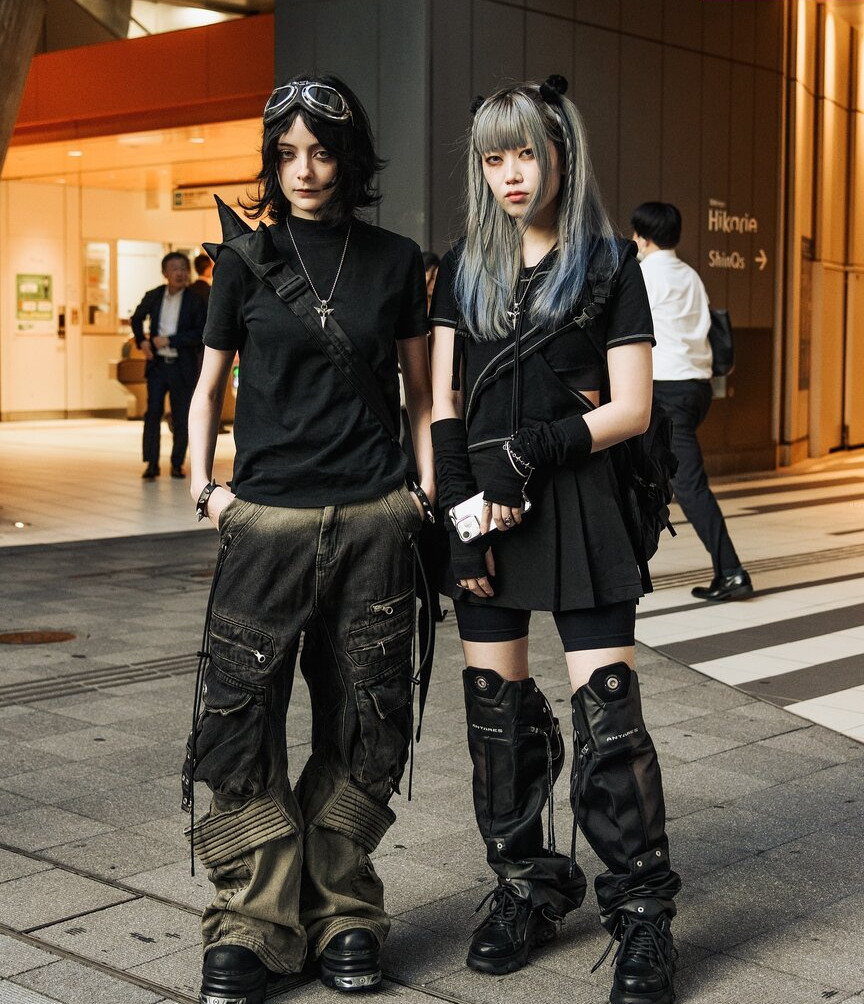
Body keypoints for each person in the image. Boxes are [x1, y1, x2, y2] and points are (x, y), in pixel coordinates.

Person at [429, 77, 680, 1004]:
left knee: (609, 717)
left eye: (526, 154)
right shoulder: (463, 264)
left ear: (560, 155)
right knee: (494, 713)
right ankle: (528, 885)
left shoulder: (609, 264)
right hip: (481, 511)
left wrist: (529, 452)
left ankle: (642, 912)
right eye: (493, 158)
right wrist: (459, 515)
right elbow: (442, 401)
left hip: (577, 503)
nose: (511, 175)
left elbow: (633, 407)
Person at [184, 75, 433, 1004]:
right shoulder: (244, 260)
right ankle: (251, 920)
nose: (304, 170)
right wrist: (206, 488)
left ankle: (344, 908)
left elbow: (420, 392)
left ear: (349, 159)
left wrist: (421, 494)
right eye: (286, 154)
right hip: (268, 521)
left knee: (366, 715)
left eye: (322, 152)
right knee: (240, 718)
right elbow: (209, 385)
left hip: (374, 518)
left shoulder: (395, 260)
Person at [631, 202, 753, 602]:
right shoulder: (690, 275)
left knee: (689, 485)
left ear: (643, 238)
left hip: (666, 391)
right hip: (697, 390)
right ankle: (627, 561)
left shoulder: (644, 274)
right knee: (647, 473)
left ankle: (732, 572)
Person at [130, 252, 206, 479]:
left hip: (182, 366)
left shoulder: (195, 300)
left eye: (184, 268)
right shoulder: (154, 296)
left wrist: (170, 340)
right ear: (165, 273)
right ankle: (151, 463)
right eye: (175, 268)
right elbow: (136, 318)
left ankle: (176, 463)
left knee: (181, 416)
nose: (180, 273)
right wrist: (142, 341)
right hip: (157, 366)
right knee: (152, 413)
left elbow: (200, 333)